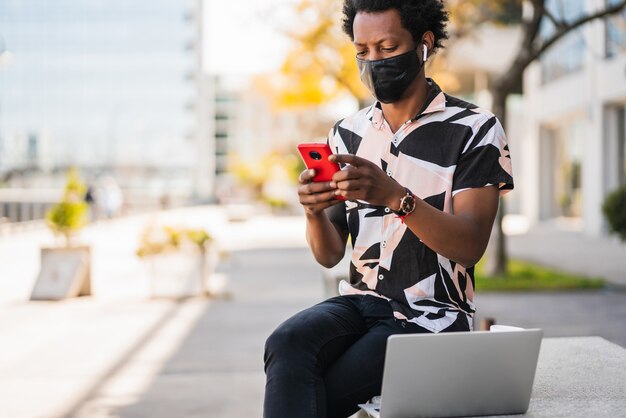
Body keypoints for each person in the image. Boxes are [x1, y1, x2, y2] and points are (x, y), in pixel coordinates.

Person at [263, 1, 514, 417]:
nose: (373, 61)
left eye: (387, 46)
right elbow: (329, 255)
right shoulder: (347, 133)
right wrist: (311, 212)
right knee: (285, 344)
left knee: (318, 388)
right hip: (359, 303)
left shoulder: (475, 129)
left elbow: (470, 245)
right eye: (362, 51)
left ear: (423, 45)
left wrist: (397, 198)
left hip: (430, 317)